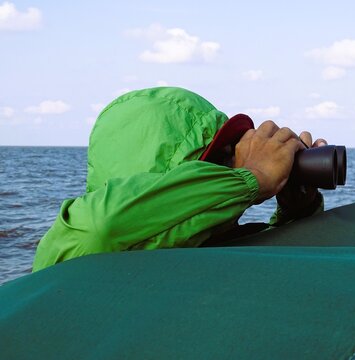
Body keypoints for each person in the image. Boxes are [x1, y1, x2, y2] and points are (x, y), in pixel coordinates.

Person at [32, 87, 326, 271]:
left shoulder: (220, 247)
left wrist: (297, 209)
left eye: (228, 155)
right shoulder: (74, 251)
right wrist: (252, 178)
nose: (227, 168)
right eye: (211, 162)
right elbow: (99, 231)